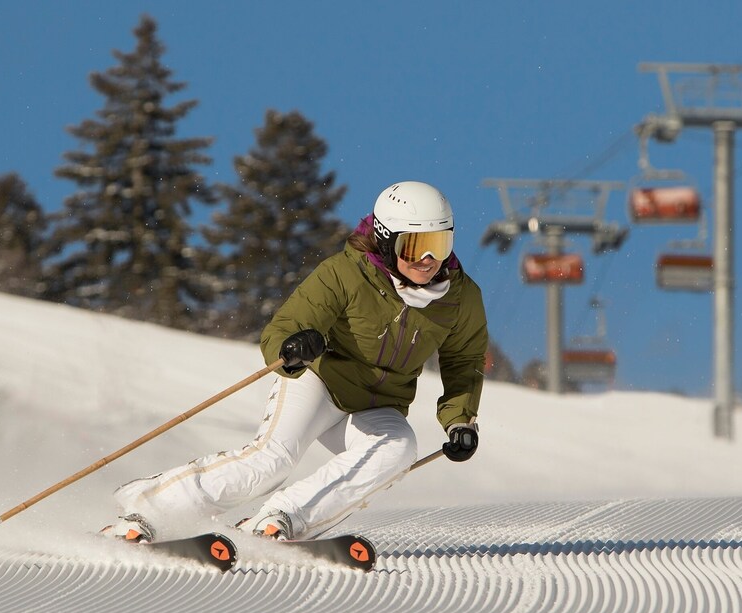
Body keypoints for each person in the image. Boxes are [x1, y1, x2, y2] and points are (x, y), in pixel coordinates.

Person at [102, 181, 488, 543]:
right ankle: (147, 510)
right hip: (319, 382)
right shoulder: (346, 274)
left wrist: (459, 420)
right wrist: (293, 347)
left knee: (399, 448)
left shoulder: (460, 296)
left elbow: (464, 360)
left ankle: (284, 518)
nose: (428, 259)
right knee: (271, 462)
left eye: (439, 244)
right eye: (415, 246)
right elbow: (287, 325)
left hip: (379, 405)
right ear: (386, 241)